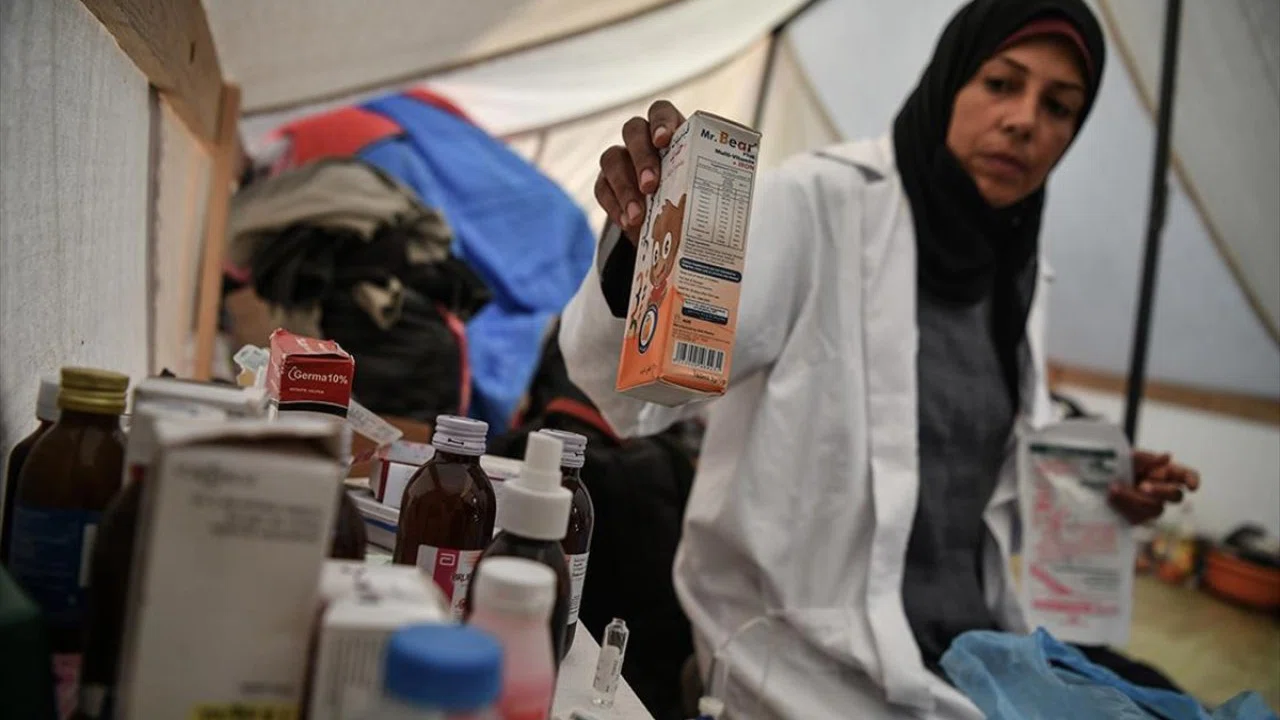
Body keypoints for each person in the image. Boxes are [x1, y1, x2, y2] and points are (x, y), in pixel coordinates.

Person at [560, 0, 1201, 717]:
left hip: (968, 640)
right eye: (1001, 84)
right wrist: (643, 248)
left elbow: (968, 477)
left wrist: (1094, 487)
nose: (1025, 120)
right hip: (803, 657)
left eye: (1059, 106)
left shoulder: (1017, 269)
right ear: (950, 79)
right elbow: (633, 391)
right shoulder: (821, 203)